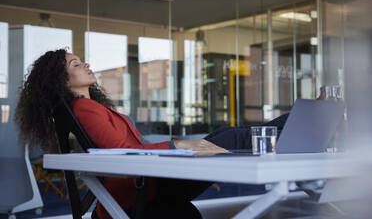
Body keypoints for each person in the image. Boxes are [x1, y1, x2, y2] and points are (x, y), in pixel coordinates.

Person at [15, 49, 288, 219]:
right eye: (75, 64)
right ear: (61, 80)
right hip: (144, 187)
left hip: (150, 180)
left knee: (228, 135)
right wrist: (177, 143)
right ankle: (298, 124)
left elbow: (125, 145)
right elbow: (117, 147)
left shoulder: (89, 107)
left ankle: (297, 125)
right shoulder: (83, 108)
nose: (85, 64)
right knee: (233, 139)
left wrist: (177, 145)